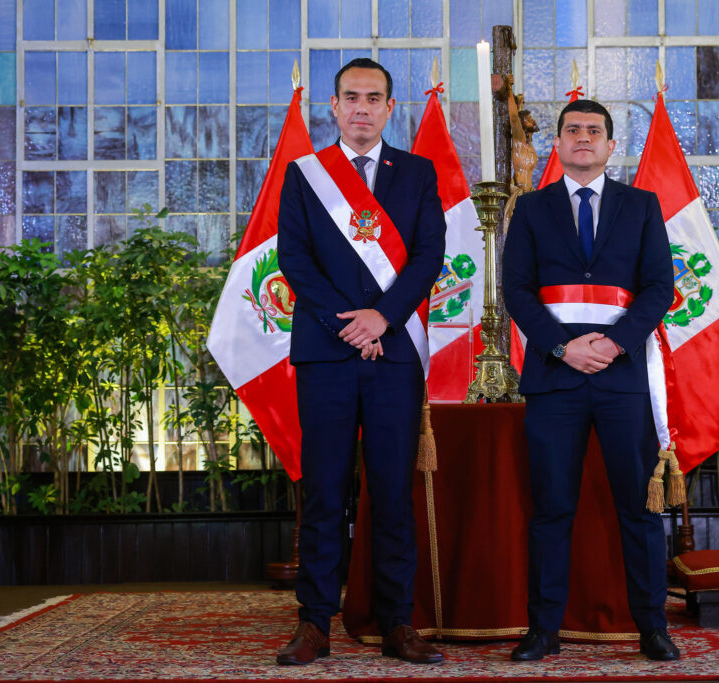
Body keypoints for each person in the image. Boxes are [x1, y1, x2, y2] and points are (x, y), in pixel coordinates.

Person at [275, 58, 446, 666]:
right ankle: (314, 623)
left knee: (392, 492)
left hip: (394, 352)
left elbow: (428, 256)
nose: (362, 108)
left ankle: (397, 622)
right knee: (324, 490)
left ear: (390, 108)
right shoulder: (304, 175)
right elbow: (294, 260)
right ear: (334, 105)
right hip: (326, 352)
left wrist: (383, 319)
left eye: (374, 98)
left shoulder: (417, 173)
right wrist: (350, 325)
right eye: (351, 97)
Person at [502, 99, 680, 662]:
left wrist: (615, 343)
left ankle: (652, 628)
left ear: (610, 146)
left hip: (622, 378)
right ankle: (543, 631)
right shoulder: (530, 209)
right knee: (552, 509)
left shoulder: (642, 205)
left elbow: (659, 286)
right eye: (573, 130)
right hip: (555, 379)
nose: (584, 138)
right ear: (557, 143)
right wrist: (562, 347)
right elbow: (516, 290)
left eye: (594, 131)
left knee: (639, 509)